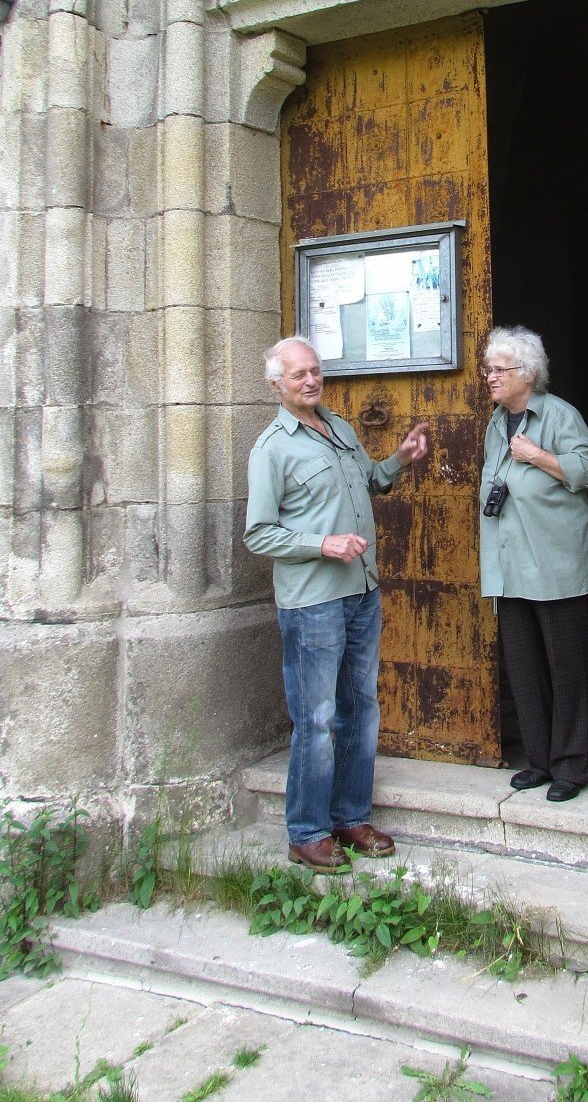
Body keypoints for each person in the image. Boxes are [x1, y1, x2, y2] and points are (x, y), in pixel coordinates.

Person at [245, 335, 429, 871]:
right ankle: (306, 831)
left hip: (360, 592)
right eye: (298, 374)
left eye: (315, 370)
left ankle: (350, 817)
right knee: (317, 717)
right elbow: (258, 533)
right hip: (313, 603)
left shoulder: (339, 428)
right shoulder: (272, 448)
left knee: (360, 711)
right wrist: (320, 545)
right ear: (277, 385)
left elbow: (368, 481)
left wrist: (397, 460)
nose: (310, 380)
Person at [478, 326, 588, 803]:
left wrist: (539, 456)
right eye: (488, 370)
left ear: (527, 374)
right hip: (510, 566)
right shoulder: (495, 422)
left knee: (566, 666)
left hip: (556, 564)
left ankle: (572, 765)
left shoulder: (558, 415)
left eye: (499, 370)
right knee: (524, 666)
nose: (490, 377)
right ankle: (541, 760)